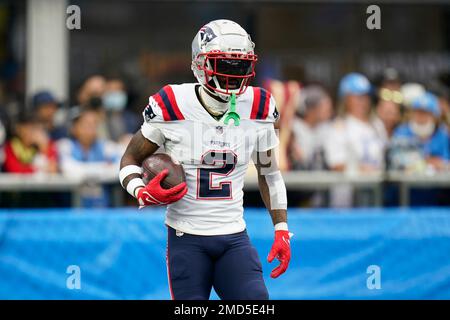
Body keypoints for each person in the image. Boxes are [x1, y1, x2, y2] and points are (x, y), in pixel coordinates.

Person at [119, 19, 291, 300]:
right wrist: (140, 190)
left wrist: (282, 228)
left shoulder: (260, 105)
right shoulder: (172, 102)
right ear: (200, 63)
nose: (233, 75)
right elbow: (129, 159)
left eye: (240, 66)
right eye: (224, 65)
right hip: (186, 239)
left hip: (234, 237)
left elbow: (269, 173)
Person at [323, 73, 385, 207]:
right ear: (346, 99)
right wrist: (362, 169)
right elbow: (336, 163)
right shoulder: (338, 127)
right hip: (347, 198)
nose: (363, 101)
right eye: (358, 97)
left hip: (375, 192)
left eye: (365, 96)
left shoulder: (377, 125)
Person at [58, 108, 120, 207]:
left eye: (94, 124)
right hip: (73, 209)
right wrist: (104, 167)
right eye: (85, 124)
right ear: (74, 128)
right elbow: (69, 170)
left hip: (102, 208)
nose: (90, 128)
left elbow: (120, 168)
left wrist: (83, 170)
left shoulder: (106, 147)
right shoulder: (65, 145)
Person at [393, 92, 449, 171]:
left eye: (426, 113)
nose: (421, 118)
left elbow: (446, 162)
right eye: (418, 113)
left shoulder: (442, 135)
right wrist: (425, 161)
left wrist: (441, 164)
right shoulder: (401, 132)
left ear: (435, 117)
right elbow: (395, 160)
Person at [290, 85, 332, 170]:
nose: (329, 110)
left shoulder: (327, 127)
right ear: (312, 109)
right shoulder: (293, 127)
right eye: (324, 106)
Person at [102, 77, 140, 144]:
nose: (114, 94)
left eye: (117, 90)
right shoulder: (98, 117)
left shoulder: (134, 120)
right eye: (110, 91)